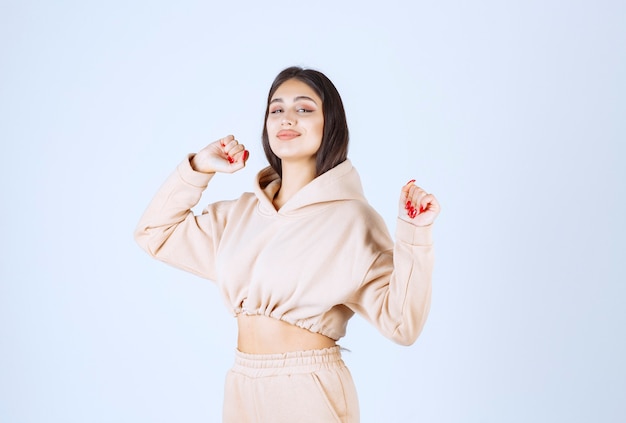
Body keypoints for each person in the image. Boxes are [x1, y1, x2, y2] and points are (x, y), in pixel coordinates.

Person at [134, 66, 440, 422]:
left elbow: (402, 324)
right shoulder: (240, 215)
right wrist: (199, 167)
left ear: (331, 125)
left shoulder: (353, 219)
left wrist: (415, 234)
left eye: (304, 108)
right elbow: (155, 232)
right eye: (276, 109)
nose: (286, 118)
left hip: (309, 391)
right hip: (241, 387)